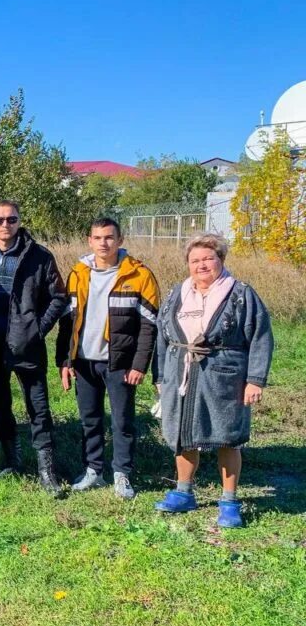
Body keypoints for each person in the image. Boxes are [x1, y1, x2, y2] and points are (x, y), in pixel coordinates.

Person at [153, 233, 273, 528]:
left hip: (225, 377)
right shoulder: (176, 293)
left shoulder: (241, 294)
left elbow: (260, 337)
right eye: (195, 260)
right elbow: (162, 336)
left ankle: (229, 501)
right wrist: (160, 376)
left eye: (208, 258)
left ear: (221, 259)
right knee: (182, 437)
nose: (202, 265)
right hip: (180, 373)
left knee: (228, 438)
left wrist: (255, 380)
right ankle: (184, 492)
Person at [56, 217, 160, 500]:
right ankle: (93, 470)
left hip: (120, 364)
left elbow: (149, 326)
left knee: (122, 421)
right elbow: (68, 323)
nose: (104, 243)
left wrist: (139, 364)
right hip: (84, 361)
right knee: (90, 419)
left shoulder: (139, 275)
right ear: (90, 241)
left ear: (120, 240)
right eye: (98, 238)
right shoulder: (78, 273)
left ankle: (122, 474)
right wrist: (65, 361)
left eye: (109, 237)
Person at [0, 199, 68, 497]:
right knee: (0, 404)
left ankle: (46, 470)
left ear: (19, 220)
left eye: (10, 220)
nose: (5, 225)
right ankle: (11, 459)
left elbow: (58, 297)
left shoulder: (38, 255)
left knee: (38, 406)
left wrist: (38, 329)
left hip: (26, 344)